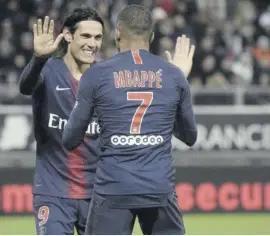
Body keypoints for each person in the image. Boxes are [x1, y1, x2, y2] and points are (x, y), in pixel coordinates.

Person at [63, 5, 197, 235]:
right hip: (158, 188)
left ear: (116, 33)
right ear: (152, 36)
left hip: (113, 187)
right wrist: (172, 90)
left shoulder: (95, 75)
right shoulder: (174, 76)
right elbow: (190, 136)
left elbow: (70, 139)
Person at [19, 7, 104, 235]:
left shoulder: (105, 79)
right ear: (68, 35)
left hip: (97, 194)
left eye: (97, 37)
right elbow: (25, 87)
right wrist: (38, 59)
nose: (92, 44)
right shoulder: (48, 71)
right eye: (86, 36)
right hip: (53, 191)